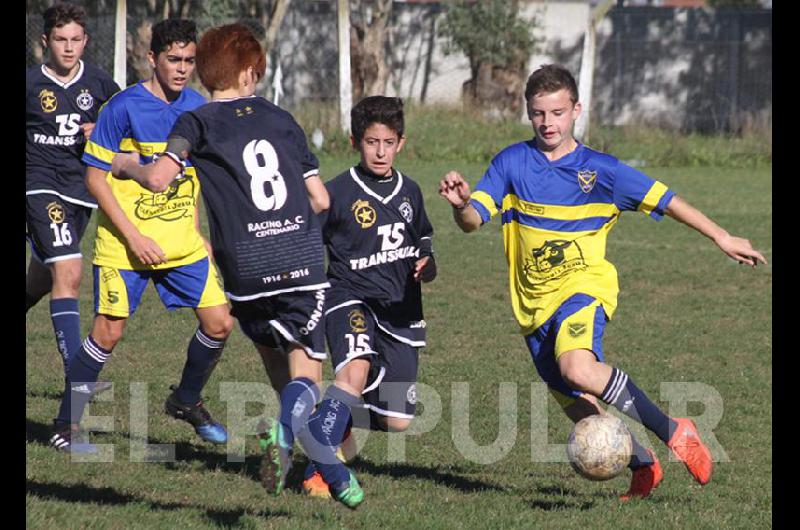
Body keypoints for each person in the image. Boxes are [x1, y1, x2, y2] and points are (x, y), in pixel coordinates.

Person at [438, 64, 767, 501]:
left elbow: (667, 201)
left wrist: (721, 235)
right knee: (576, 403)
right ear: (528, 113)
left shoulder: (601, 171)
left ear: (576, 110)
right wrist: (461, 204)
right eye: (539, 113)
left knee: (579, 368)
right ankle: (642, 465)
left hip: (584, 288)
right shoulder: (512, 163)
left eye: (557, 112)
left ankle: (675, 430)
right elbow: (472, 220)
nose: (548, 123)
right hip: (532, 305)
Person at [107, 24, 365, 508]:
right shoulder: (284, 119)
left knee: (275, 360)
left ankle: (307, 462)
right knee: (306, 377)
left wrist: (126, 166)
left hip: (245, 270)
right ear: (250, 73)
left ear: (204, 73)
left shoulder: (196, 122)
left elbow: (160, 178)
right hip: (301, 264)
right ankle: (294, 444)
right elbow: (320, 197)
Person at [50, 19, 234, 454]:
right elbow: (95, 179)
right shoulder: (122, 107)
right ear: (152, 58)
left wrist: (195, 231)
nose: (182, 68)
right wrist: (132, 238)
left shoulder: (197, 108)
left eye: (189, 60)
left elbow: (193, 178)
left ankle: (186, 399)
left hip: (179, 242)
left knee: (220, 322)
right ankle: (65, 426)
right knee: (107, 333)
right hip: (124, 246)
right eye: (173, 59)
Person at [299, 96, 436, 502]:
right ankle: (320, 467)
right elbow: (308, 242)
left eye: (388, 142)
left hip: (401, 309)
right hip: (350, 298)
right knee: (353, 374)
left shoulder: (410, 191)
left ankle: (330, 418)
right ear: (355, 141)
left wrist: (427, 265)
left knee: (397, 421)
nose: (380, 151)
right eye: (372, 142)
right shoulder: (337, 192)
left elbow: (424, 241)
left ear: (401, 143)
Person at [26, 2, 119, 386]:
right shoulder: (30, 86)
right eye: (60, 40)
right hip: (38, 185)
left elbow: (123, 132)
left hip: (82, 193)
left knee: (44, 279)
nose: (68, 48)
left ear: (86, 40)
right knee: (69, 270)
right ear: (45, 41)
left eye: (76, 40)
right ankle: (78, 376)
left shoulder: (100, 85)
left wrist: (103, 129)